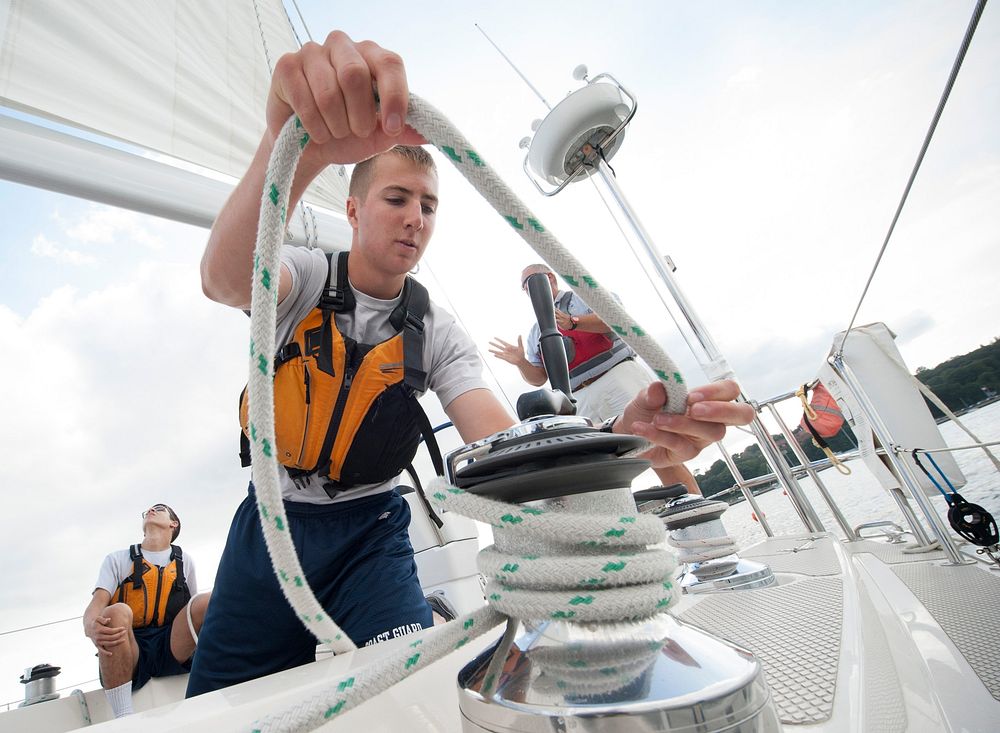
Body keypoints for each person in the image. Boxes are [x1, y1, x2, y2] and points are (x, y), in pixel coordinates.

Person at [187, 30, 754, 697]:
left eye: (428, 205)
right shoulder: (305, 279)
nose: (415, 219)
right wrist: (298, 152)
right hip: (271, 531)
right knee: (216, 707)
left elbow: (497, 441)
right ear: (353, 208)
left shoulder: (435, 331)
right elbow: (226, 279)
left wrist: (609, 446)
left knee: (416, 690)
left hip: (372, 536)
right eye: (396, 198)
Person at [490, 264, 702, 493]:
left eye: (531, 282)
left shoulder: (584, 297)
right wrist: (521, 361)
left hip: (616, 376)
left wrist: (573, 322)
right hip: (578, 397)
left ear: (550, 278)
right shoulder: (535, 332)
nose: (529, 290)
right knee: (599, 464)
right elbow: (538, 378)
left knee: (654, 446)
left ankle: (695, 507)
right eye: (525, 287)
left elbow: (616, 318)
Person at [83, 504, 209, 718]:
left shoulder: (185, 562)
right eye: (147, 511)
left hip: (171, 646)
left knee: (207, 601)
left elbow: (193, 612)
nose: (150, 510)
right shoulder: (117, 560)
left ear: (173, 524)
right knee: (116, 612)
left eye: (159, 509)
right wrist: (91, 628)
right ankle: (124, 717)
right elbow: (94, 609)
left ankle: (222, 676)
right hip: (129, 649)